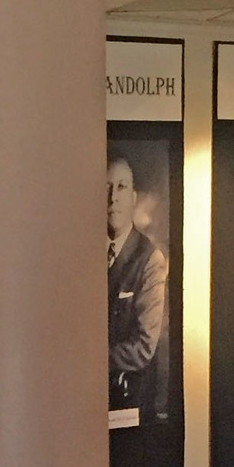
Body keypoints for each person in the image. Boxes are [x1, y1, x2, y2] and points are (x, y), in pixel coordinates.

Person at [106, 154, 169, 420]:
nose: (112, 198)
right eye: (105, 187)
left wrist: (86, 361)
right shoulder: (79, 253)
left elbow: (143, 347)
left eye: (121, 187)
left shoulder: (149, 258)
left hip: (130, 405)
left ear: (132, 198)